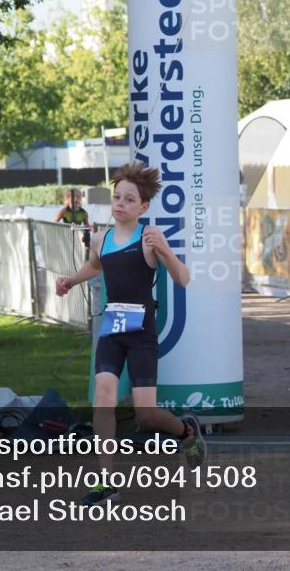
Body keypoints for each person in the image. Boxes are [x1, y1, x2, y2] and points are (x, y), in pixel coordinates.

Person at [55, 162, 203, 507]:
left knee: (146, 415)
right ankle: (106, 483)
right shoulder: (101, 238)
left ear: (143, 207)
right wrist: (70, 280)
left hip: (141, 333)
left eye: (128, 199)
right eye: (116, 197)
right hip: (113, 328)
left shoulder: (150, 238)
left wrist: (165, 250)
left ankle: (186, 431)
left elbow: (183, 278)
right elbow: (97, 265)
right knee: (103, 396)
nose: (120, 203)